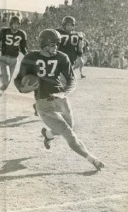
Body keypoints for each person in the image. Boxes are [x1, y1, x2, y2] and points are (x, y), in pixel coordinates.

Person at [14, 28, 104, 171]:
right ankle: (92, 159)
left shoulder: (62, 57)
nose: (56, 47)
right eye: (52, 45)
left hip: (60, 98)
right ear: (43, 45)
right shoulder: (30, 58)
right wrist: (22, 88)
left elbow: (72, 81)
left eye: (57, 44)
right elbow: (18, 80)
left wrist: (64, 94)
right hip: (43, 103)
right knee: (69, 133)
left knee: (69, 126)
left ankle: (48, 134)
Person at [0, 15, 28, 109]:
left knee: (6, 84)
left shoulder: (22, 34)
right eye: (14, 23)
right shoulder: (4, 31)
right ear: (11, 24)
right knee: (6, 80)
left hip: (14, 60)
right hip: (4, 58)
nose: (16, 25)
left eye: (18, 23)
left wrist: (28, 56)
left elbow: (23, 48)